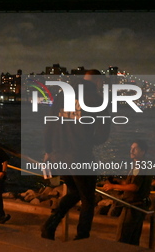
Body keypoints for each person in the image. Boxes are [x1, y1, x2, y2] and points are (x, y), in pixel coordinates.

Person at [41, 70, 110, 240]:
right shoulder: (98, 99)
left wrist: (48, 150)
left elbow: (49, 124)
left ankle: (50, 225)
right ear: (98, 81)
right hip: (80, 155)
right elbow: (102, 134)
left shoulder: (63, 95)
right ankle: (81, 237)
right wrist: (87, 141)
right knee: (88, 198)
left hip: (59, 154)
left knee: (74, 191)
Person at [103, 140, 152, 246]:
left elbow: (134, 187)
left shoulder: (138, 166)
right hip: (140, 206)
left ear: (142, 151)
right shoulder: (143, 165)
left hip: (132, 206)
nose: (132, 151)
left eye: (135, 149)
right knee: (133, 240)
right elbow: (132, 182)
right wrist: (119, 182)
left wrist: (113, 186)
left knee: (123, 238)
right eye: (131, 148)